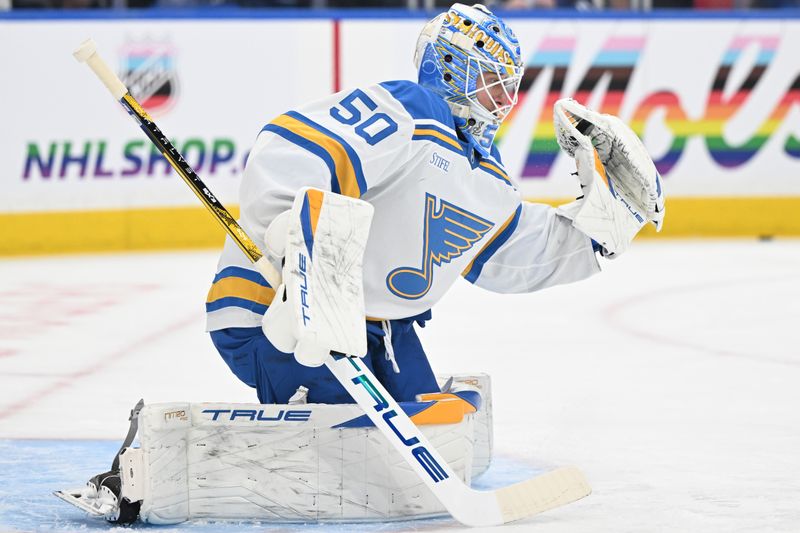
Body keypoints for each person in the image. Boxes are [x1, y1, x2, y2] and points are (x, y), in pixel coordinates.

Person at [205, 3, 657, 406]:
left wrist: (601, 232)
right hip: (270, 311)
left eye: (509, 86)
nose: (504, 99)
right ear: (448, 68)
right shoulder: (414, 110)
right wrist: (295, 248)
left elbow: (512, 253)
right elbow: (295, 149)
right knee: (358, 427)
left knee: (438, 420)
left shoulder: (486, 173)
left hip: (377, 330)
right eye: (490, 81)